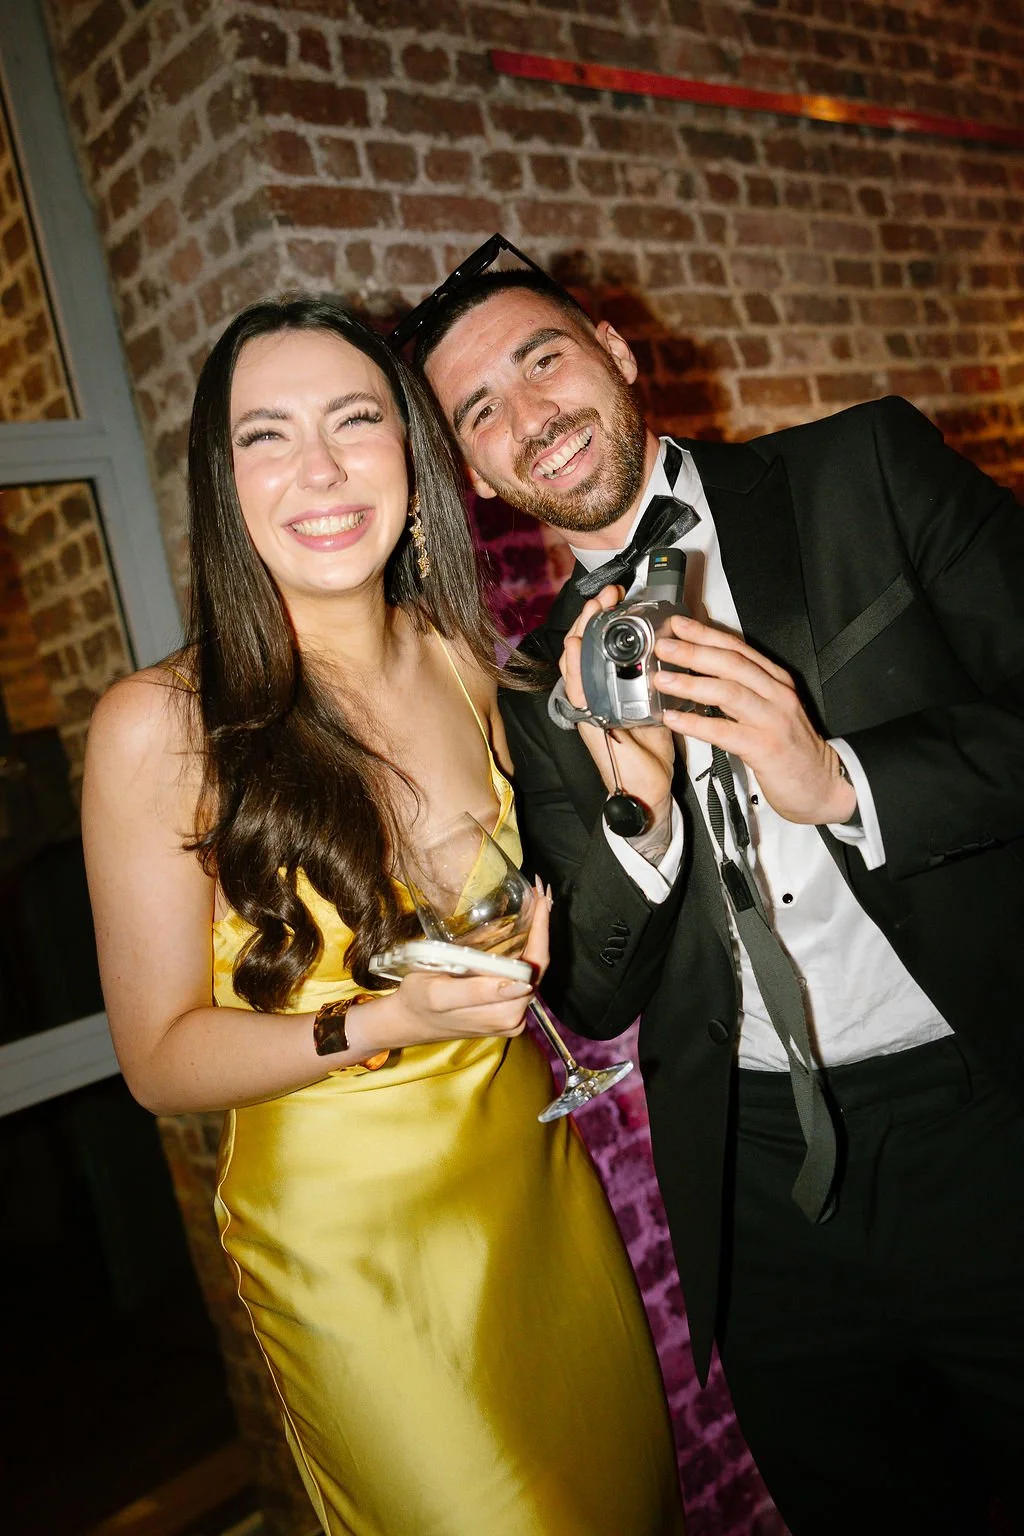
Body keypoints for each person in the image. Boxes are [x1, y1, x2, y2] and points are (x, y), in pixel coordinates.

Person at [413, 250, 1024, 1534]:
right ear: (474, 474)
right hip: (760, 1203)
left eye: (544, 359)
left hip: (985, 1113)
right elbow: (590, 994)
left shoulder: (863, 466)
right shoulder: (535, 689)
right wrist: (638, 821)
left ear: (617, 353)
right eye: (481, 410)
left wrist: (843, 779)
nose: (531, 416)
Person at [81, 296, 685, 1536]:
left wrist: (626, 819)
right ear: (222, 481)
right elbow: (155, 1060)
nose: (319, 468)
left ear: (413, 461)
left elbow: (551, 920)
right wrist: (382, 1019)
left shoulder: (468, 661)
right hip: (357, 1250)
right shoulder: (159, 725)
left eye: (355, 420)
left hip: (535, 1182)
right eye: (267, 435)